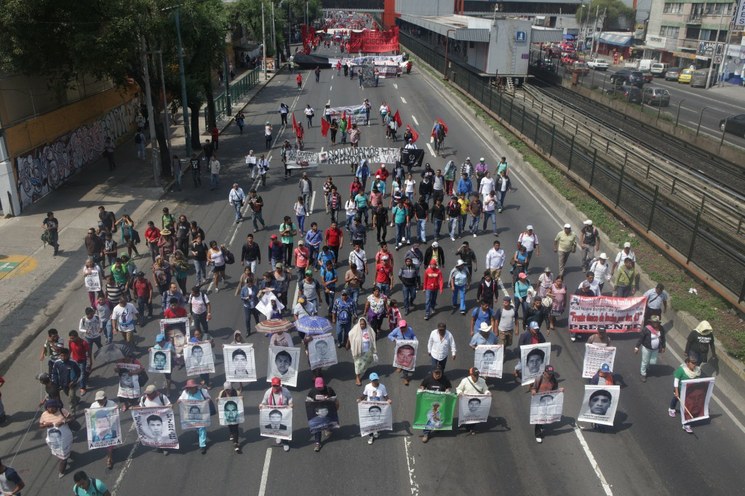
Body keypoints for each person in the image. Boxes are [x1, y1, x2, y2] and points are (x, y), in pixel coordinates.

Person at [39, 399, 73, 478]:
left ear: (56, 407)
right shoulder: (44, 414)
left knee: (63, 458)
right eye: (48, 408)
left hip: (65, 437)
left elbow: (71, 418)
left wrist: (63, 422)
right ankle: (67, 454)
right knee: (59, 450)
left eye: (52, 407)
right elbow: (40, 425)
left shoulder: (62, 411)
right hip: (53, 438)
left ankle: (62, 471)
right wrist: (45, 425)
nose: (50, 409)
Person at [418, 367, 451, 443]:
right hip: (430, 402)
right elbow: (422, 385)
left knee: (439, 417)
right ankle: (426, 433)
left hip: (441, 402)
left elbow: (448, 386)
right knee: (430, 418)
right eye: (436, 373)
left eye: (439, 373)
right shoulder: (428, 378)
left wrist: (447, 390)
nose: (437, 375)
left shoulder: (445, 379)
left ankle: (437, 428)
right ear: (433, 373)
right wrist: (422, 390)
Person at [530, 365, 562, 443]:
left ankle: (541, 426)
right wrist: (533, 391)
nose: (550, 375)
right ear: (544, 372)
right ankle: (538, 434)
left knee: (544, 415)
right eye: (548, 373)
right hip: (539, 401)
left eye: (551, 373)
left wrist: (560, 390)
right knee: (539, 418)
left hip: (548, 401)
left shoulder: (554, 380)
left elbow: (555, 390)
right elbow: (533, 388)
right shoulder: (539, 379)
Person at [306, 377, 339, 452]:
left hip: (328, 411)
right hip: (317, 413)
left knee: (328, 422)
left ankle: (328, 429)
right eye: (318, 387)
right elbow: (308, 402)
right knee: (317, 427)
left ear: (323, 384)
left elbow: (335, 399)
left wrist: (328, 399)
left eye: (321, 387)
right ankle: (318, 443)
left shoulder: (329, 390)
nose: (319, 388)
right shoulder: (312, 392)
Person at [358, 372, 392, 444]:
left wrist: (388, 400)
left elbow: (385, 395)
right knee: (370, 422)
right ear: (370, 381)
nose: (375, 381)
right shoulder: (367, 387)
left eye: (376, 379)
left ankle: (376, 430)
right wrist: (360, 399)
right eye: (373, 380)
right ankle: (371, 436)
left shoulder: (382, 387)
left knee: (378, 421)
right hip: (370, 408)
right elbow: (364, 395)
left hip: (379, 408)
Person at [178, 379, 211, 454]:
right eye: (189, 388)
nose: (191, 389)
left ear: (195, 387)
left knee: (202, 427)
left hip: (201, 414)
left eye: (192, 387)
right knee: (197, 427)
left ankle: (202, 445)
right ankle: (199, 433)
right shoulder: (185, 393)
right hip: (191, 415)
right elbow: (179, 400)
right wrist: (179, 401)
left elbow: (208, 398)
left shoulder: (203, 391)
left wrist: (206, 402)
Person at [261, 377, 293, 452]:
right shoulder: (268, 392)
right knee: (275, 427)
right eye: (274, 386)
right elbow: (264, 402)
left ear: (280, 385)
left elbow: (290, 399)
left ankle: (285, 443)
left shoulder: (285, 391)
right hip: (273, 414)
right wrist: (262, 405)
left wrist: (290, 404)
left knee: (284, 428)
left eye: (277, 385)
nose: (275, 387)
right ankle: (278, 436)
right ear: (271, 385)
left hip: (284, 413)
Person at [456, 367, 490, 434]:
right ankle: (465, 424)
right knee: (465, 415)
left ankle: (471, 428)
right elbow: (458, 389)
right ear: (471, 374)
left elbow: (485, 389)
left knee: (474, 416)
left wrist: (488, 393)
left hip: (476, 403)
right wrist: (460, 393)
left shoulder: (482, 381)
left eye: (477, 375)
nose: (476, 377)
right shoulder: (465, 381)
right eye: (475, 375)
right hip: (466, 402)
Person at [89, 391, 117, 469]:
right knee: (105, 443)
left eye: (101, 400)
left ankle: (109, 459)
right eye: (98, 400)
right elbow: (91, 416)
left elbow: (115, 414)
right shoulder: (93, 405)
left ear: (105, 398)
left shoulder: (112, 404)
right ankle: (110, 452)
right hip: (99, 429)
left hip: (110, 429)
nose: (100, 401)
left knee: (109, 444)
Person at [635, 315, 666, 382]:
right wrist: (637, 347)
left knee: (652, 362)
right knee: (645, 361)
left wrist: (663, 346)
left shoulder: (661, 329)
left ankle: (646, 367)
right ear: (651, 322)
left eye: (656, 322)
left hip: (655, 349)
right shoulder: (646, 329)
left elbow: (663, 338)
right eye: (654, 322)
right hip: (647, 348)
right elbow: (641, 338)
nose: (655, 323)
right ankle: (643, 374)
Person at [347, 317, 377, 386]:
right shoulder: (355, 329)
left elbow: (373, 337)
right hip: (358, 352)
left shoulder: (369, 329)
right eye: (361, 324)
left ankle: (363, 369)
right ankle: (357, 377)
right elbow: (349, 335)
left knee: (366, 362)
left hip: (367, 351)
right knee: (357, 365)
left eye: (363, 324)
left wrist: (373, 348)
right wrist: (347, 344)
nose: (362, 326)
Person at [218, 382, 242, 453]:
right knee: (230, 426)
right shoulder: (222, 393)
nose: (227, 391)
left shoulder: (236, 392)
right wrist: (217, 400)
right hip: (227, 414)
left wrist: (241, 399)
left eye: (229, 389)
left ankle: (236, 443)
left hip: (235, 413)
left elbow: (240, 403)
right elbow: (220, 403)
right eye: (226, 390)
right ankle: (232, 434)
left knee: (235, 427)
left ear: (231, 388)